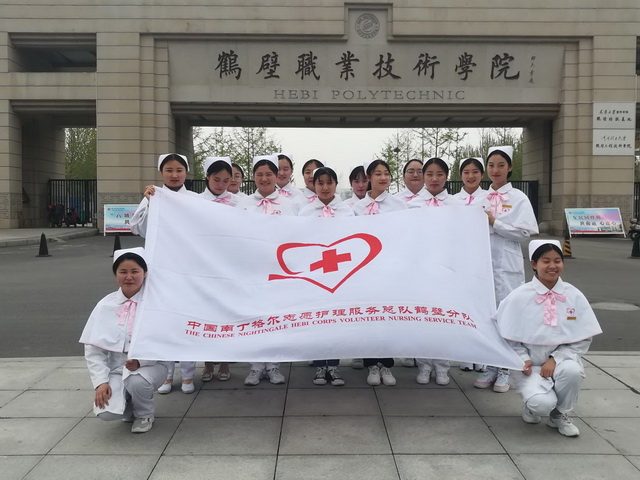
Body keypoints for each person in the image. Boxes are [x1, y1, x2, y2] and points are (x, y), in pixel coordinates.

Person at [496, 240, 602, 436]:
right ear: (534, 264)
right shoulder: (519, 296)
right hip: (528, 364)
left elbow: (583, 338)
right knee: (541, 404)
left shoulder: (574, 295)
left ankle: (559, 415)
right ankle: (532, 407)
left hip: (562, 361)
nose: (552, 266)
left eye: (557, 261)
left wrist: (556, 359)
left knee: (572, 372)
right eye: (546, 261)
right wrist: (522, 358)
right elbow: (506, 334)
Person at [80, 247, 169, 434]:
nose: (129, 277)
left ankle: (144, 414)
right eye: (123, 272)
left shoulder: (156, 304)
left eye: (135, 271)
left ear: (145, 273)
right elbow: (93, 350)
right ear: (116, 274)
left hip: (152, 366)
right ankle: (129, 406)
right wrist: (100, 382)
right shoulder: (105, 305)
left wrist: (141, 362)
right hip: (116, 369)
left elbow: (164, 342)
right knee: (106, 413)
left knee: (137, 382)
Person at [474, 146, 539, 393]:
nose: (495, 170)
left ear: (510, 168)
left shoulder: (518, 198)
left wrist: (495, 223)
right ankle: (491, 365)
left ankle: (505, 369)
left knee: (507, 316)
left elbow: (524, 232)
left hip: (507, 265)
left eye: (501, 165)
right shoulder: (481, 199)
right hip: (483, 264)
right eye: (491, 165)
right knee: (488, 316)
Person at [239, 154, 297, 385]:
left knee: (275, 318)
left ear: (276, 176)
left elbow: (296, 237)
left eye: (269, 174)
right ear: (253, 177)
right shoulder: (243, 204)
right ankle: (255, 367)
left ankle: (273, 365)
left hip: (278, 271)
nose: (264, 178)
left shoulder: (288, 205)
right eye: (259, 174)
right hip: (251, 271)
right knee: (254, 318)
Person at [408, 157, 462, 385]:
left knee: (443, 319)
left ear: (446, 177)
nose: (434, 179)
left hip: (446, 269)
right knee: (422, 319)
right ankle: (424, 365)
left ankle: (442, 366)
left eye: (439, 174)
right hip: (421, 269)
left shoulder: (457, 205)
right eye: (429, 174)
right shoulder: (412, 205)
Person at [299, 166, 354, 386]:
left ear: (335, 185)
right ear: (313, 185)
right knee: (318, 322)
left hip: (339, 274)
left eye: (329, 182)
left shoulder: (347, 211)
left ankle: (334, 366)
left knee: (336, 321)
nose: (324, 187)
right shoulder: (305, 212)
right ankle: (320, 366)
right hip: (315, 274)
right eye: (320, 183)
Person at [354, 159, 407, 386]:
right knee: (368, 316)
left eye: (386, 173)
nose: (383, 177)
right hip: (365, 269)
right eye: (377, 173)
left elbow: (406, 236)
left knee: (387, 316)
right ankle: (371, 364)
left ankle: (386, 364)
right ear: (369, 178)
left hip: (390, 268)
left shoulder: (399, 206)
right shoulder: (356, 208)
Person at [198, 156, 236, 383]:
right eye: (216, 179)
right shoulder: (194, 201)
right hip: (204, 266)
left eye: (225, 180)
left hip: (229, 267)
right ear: (207, 177)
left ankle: (224, 361)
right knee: (207, 315)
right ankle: (208, 362)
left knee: (226, 314)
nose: (221, 184)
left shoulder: (239, 203)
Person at [454, 156, 489, 372]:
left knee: (481, 308)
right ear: (460, 176)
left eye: (475, 172)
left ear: (482, 175)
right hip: (459, 260)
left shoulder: (490, 198)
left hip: (482, 259)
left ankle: (481, 355)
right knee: (463, 306)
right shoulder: (452, 201)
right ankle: (465, 355)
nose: (470, 176)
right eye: (466, 172)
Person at [130, 153, 199, 237]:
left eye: (179, 170)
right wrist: (152, 204)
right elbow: (139, 230)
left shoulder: (197, 199)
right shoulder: (151, 198)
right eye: (169, 170)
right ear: (161, 173)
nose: (174, 175)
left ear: (186, 173)